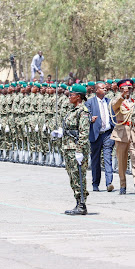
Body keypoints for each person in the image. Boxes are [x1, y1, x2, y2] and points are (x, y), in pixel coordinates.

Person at [52, 84, 90, 215]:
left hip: (76, 149)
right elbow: (70, 128)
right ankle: (78, 202)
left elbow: (84, 133)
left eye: (71, 95)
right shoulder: (72, 110)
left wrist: (79, 150)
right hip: (68, 147)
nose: (69, 97)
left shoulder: (82, 111)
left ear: (78, 97)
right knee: (72, 176)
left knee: (78, 176)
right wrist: (60, 132)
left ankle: (82, 204)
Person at [110, 79, 135, 195]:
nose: (127, 92)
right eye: (124, 89)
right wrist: (122, 96)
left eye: (129, 89)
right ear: (120, 90)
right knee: (122, 161)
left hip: (133, 133)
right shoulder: (117, 100)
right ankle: (123, 184)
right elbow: (114, 106)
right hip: (121, 133)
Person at [84, 82, 115, 192]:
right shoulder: (89, 103)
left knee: (108, 158)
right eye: (103, 88)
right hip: (95, 134)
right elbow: (84, 116)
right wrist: (90, 119)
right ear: (96, 90)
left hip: (107, 134)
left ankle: (109, 183)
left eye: (106, 88)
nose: (105, 90)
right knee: (95, 160)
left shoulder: (109, 102)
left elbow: (114, 116)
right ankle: (95, 183)